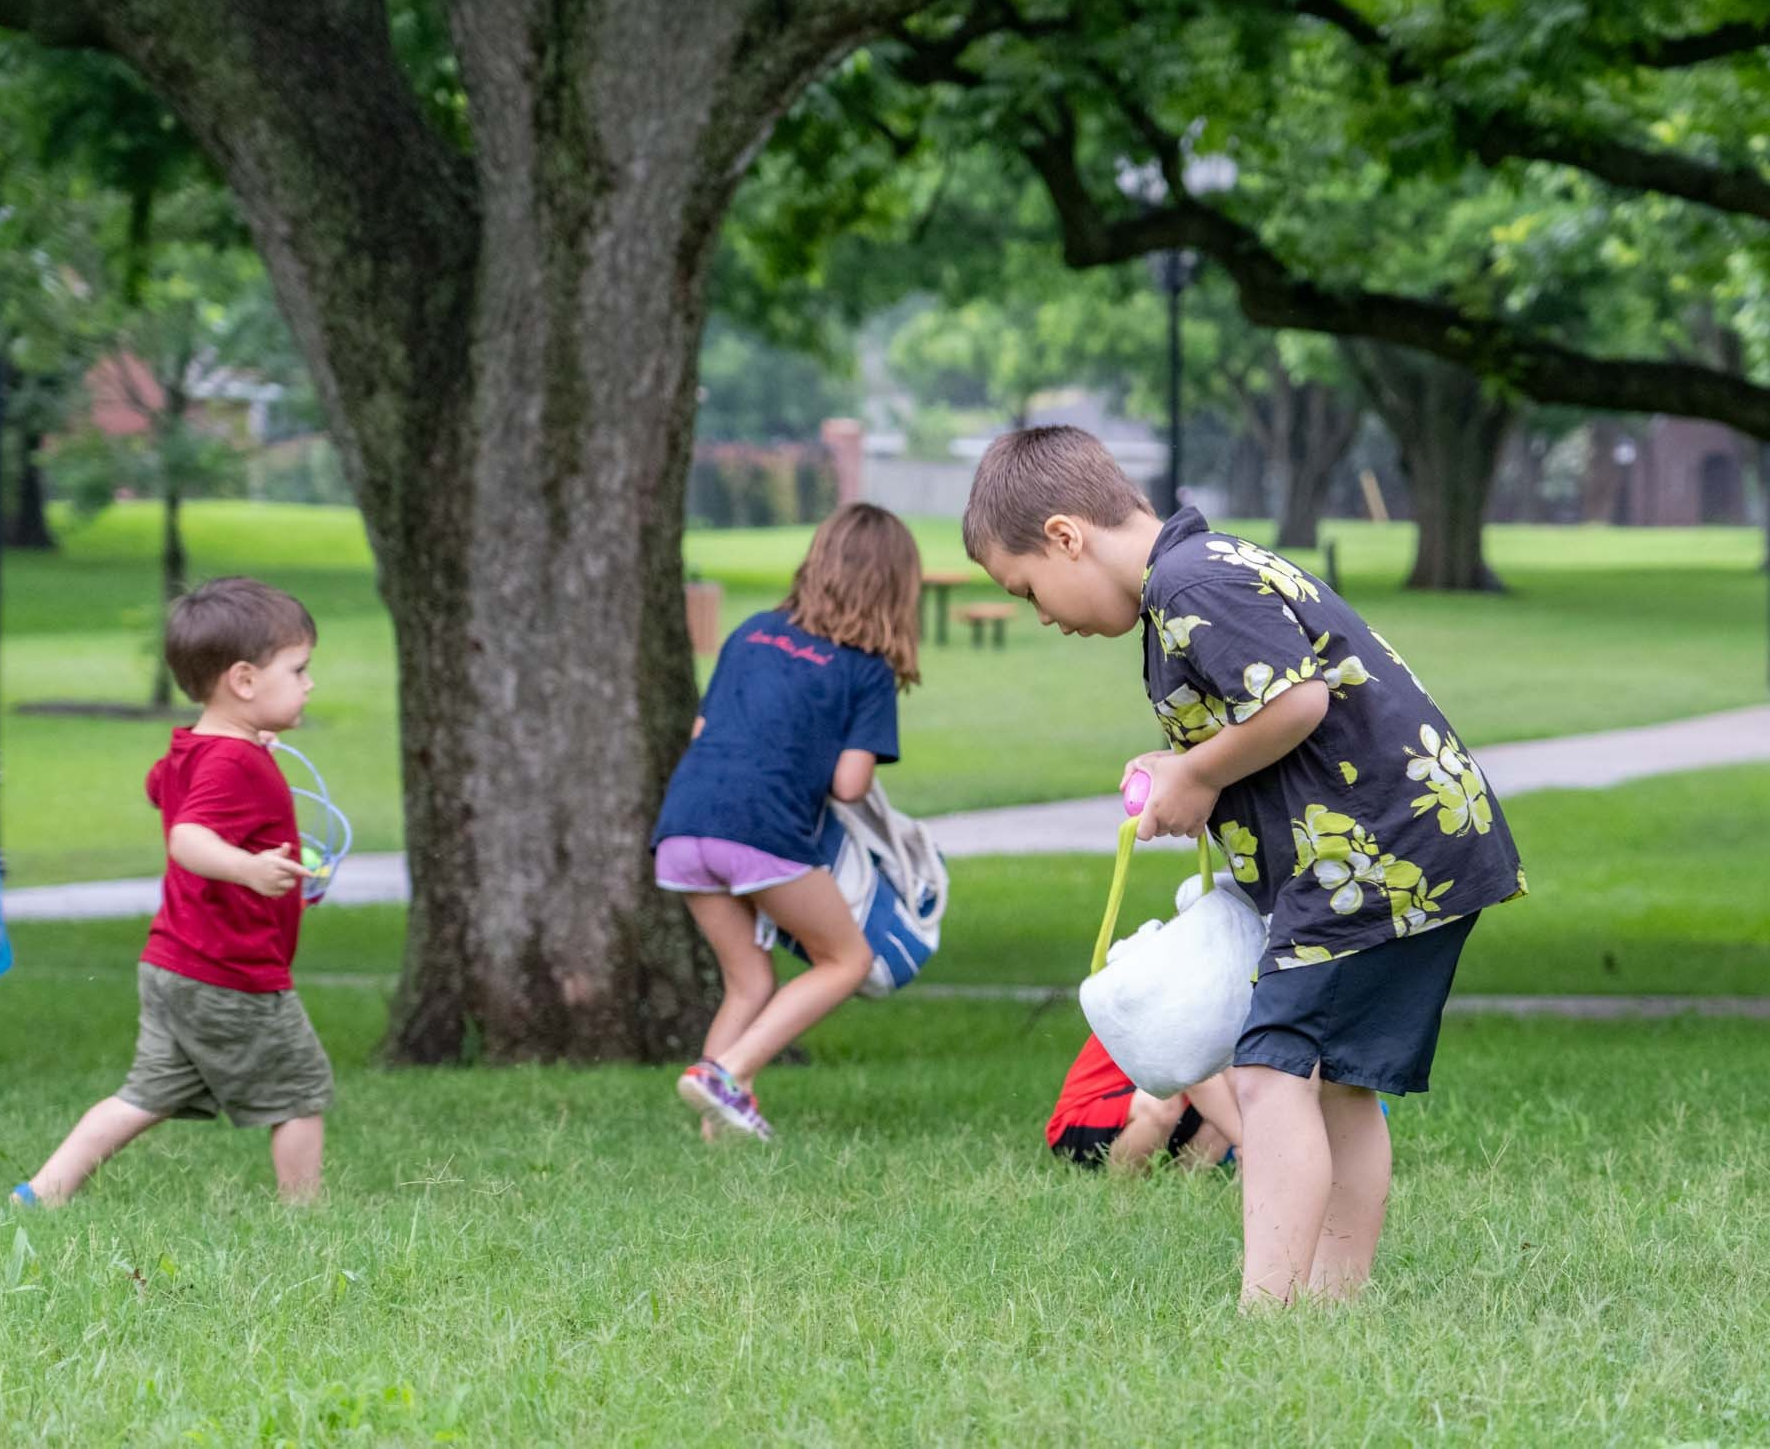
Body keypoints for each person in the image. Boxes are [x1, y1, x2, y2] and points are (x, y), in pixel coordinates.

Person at [964, 425, 1525, 1304]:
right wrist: (1172, 765)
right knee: (1338, 1084)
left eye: (1027, 587)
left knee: (1269, 1073)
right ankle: (1334, 1300)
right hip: (1399, 844)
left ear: (1066, 536)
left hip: (1372, 853)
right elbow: (1264, 712)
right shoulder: (1198, 573)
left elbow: (1296, 700)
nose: (1041, 613)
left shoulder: (1191, 582)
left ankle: (1268, 1311)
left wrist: (1195, 770)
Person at [11, 578, 330, 1206]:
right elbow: (187, 837)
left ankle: (42, 1193)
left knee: (146, 1095)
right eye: (299, 670)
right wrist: (249, 870)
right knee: (299, 1090)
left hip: (173, 965)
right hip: (228, 973)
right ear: (243, 680)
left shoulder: (197, 747)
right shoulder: (231, 763)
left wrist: (253, 745)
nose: (309, 683)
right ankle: (306, 1218)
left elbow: (162, 789)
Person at [652, 503, 920, 1141]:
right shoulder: (866, 668)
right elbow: (850, 785)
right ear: (895, 587)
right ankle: (729, 1074)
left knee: (748, 981)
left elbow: (701, 730)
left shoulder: (751, 632)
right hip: (761, 832)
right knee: (846, 960)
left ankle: (715, 1130)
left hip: (682, 825)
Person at [1047, 1031, 1239, 1172]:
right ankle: (1125, 1199)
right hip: (1078, 1124)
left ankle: (1181, 1193)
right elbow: (1194, 1077)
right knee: (1162, 1105)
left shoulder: (1223, 1007)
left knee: (1227, 1106)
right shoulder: (1169, 1000)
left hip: (1159, 1122)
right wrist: (1244, 1142)